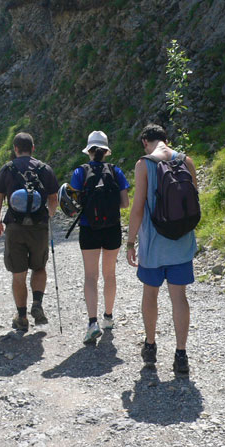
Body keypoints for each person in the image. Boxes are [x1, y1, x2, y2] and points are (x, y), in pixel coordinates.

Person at [126, 124, 197, 374]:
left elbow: (137, 208)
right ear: (166, 139)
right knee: (179, 297)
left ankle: (151, 346)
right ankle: (181, 355)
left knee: (151, 294)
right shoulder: (185, 161)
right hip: (182, 243)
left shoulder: (144, 164)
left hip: (153, 244)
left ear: (145, 141)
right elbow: (194, 200)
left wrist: (130, 242)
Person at [0, 132, 59, 331]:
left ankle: (21, 317)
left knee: (18, 273)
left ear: (15, 149)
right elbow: (53, 198)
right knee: (39, 267)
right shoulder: (44, 169)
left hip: (15, 226)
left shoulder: (8, 169)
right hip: (38, 226)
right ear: (33, 148)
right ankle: (37, 304)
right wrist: (49, 216)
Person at [68, 131, 129, 344]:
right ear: (105, 151)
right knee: (109, 274)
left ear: (89, 150)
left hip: (89, 228)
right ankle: (108, 318)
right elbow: (125, 204)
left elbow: (73, 206)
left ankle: (92, 323)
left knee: (91, 276)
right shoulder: (116, 171)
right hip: (112, 228)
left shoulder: (79, 172)